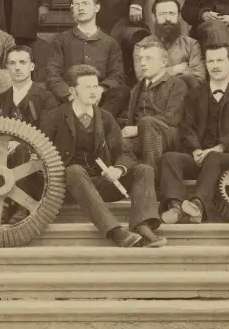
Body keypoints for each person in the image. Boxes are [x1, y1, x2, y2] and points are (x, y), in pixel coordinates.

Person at [39, 64, 165, 248]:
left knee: (143, 170)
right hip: (66, 187)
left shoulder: (106, 118)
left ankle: (142, 225)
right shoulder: (53, 118)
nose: (94, 92)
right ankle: (115, 231)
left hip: (101, 183)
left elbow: (125, 153)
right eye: (87, 87)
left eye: (96, 86)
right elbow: (41, 155)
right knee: (74, 170)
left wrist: (118, 169)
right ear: (72, 91)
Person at [158, 45, 229, 224]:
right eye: (210, 61)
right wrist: (195, 149)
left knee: (214, 157)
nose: (215, 65)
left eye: (220, 60)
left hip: (228, 157)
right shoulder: (195, 93)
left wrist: (220, 147)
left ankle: (198, 205)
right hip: (200, 156)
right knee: (169, 158)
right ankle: (176, 206)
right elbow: (186, 127)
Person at [45, 0, 128, 117]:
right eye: (76, 5)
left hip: (99, 100)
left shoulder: (110, 43)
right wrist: (70, 96)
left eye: (85, 3)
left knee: (122, 92)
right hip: (69, 97)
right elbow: (53, 74)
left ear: (97, 8)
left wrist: (100, 90)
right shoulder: (60, 40)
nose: (80, 8)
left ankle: (98, 121)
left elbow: (117, 76)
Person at [120, 38, 188, 165]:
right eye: (141, 59)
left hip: (168, 135)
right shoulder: (136, 88)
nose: (142, 63)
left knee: (147, 122)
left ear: (163, 62)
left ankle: (153, 177)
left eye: (148, 58)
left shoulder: (177, 84)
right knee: (117, 141)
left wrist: (139, 128)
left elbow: (173, 117)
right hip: (140, 136)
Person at [0, 44, 58, 127]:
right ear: (8, 67)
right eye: (12, 63)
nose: (17, 67)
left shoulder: (46, 98)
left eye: (22, 62)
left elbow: (49, 134)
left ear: (32, 66)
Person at [148, 0, 206, 80]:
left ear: (178, 16)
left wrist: (159, 73)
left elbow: (198, 77)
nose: (167, 19)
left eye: (172, 14)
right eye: (162, 14)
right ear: (154, 17)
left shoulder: (191, 44)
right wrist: (175, 70)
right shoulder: (142, 45)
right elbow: (143, 79)